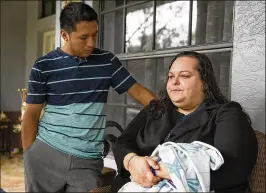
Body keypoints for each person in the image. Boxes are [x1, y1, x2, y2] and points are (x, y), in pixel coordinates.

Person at [22, 2, 156, 192]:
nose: (91, 43)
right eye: (83, 37)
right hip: (45, 156)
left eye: (94, 35)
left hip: (87, 161)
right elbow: (31, 114)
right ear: (64, 35)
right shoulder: (43, 65)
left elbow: (139, 92)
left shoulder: (107, 61)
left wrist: (170, 111)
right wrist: (30, 155)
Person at [112, 51, 258, 193]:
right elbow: (123, 141)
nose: (174, 81)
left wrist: (160, 171)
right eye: (171, 76)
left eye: (185, 76)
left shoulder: (226, 113)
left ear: (204, 82)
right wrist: (131, 161)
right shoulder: (155, 109)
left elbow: (234, 168)